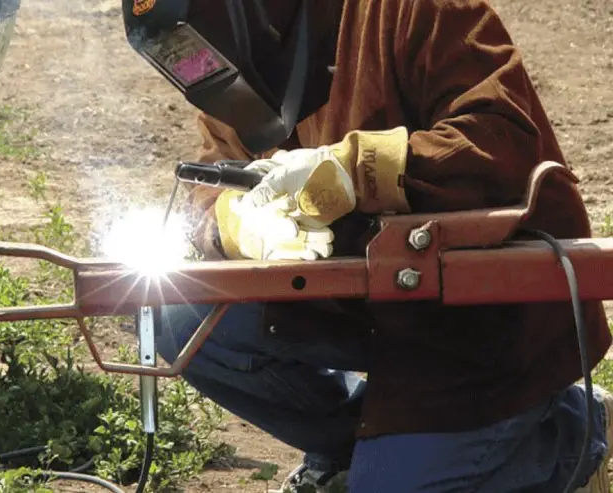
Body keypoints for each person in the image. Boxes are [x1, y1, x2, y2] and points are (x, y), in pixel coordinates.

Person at [125, 0, 613, 491]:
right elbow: (215, 171)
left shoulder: (413, 10)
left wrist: (355, 170)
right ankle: (352, 446)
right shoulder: (238, 71)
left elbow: (499, 137)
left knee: (387, 487)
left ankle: (572, 433)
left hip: (484, 319)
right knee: (180, 316)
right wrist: (231, 224)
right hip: (373, 304)